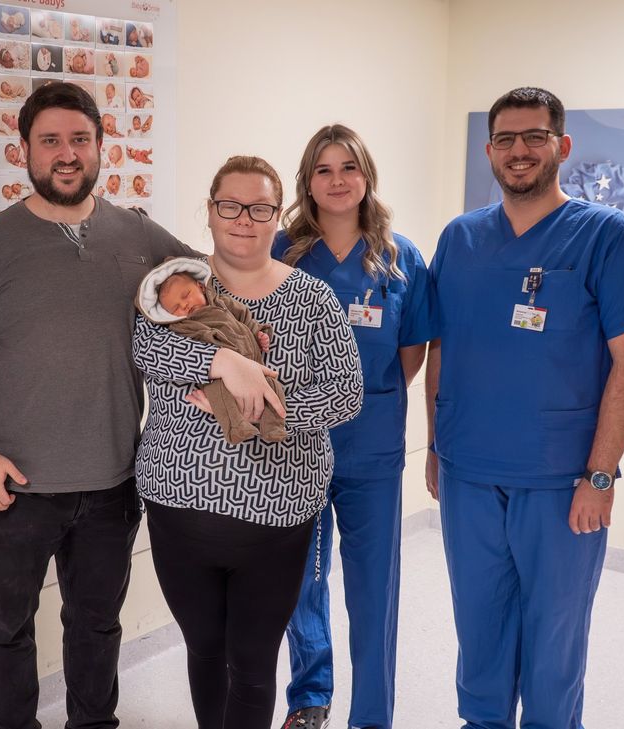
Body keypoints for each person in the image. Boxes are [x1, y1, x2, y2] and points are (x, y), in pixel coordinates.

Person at [0, 81, 199, 729]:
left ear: (99, 147)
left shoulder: (138, 234)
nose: (67, 153)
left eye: (79, 139)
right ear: (24, 150)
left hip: (113, 482)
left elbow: (215, 280)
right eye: (51, 140)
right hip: (16, 483)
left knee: (96, 625)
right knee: (6, 629)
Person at [426, 87, 624, 729]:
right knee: (479, 628)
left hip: (561, 480)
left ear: (562, 146)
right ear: (489, 152)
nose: (519, 150)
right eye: (505, 139)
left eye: (534, 137)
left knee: (554, 638)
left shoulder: (607, 236)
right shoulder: (460, 238)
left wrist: (601, 475)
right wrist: (434, 446)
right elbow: (442, 348)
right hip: (469, 472)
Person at [132, 155, 363, 729]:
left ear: (276, 215)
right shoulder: (172, 290)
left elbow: (346, 393)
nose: (244, 219)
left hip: (277, 518)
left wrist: (264, 407)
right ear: (210, 212)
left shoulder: (313, 300)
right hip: (178, 508)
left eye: (260, 208)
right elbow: (148, 352)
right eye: (230, 206)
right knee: (205, 650)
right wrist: (224, 362)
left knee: (254, 662)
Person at [274, 124, 434, 729]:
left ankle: (372, 715)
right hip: (295, 443)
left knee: (373, 587)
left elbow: (413, 349)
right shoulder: (282, 251)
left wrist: (372, 398)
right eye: (323, 169)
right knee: (301, 581)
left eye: (348, 168)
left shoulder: (400, 257)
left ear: (366, 176)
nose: (337, 181)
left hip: (372, 445)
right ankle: (310, 699)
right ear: (307, 181)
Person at [137, 258, 286, 444]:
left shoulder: (223, 304)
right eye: (175, 308)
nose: (184, 305)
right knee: (218, 395)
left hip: (253, 363)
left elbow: (245, 316)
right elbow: (189, 345)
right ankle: (235, 428)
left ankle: (274, 427)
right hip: (219, 376)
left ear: (200, 286)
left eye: (186, 295)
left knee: (272, 386)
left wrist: (259, 333)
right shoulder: (184, 325)